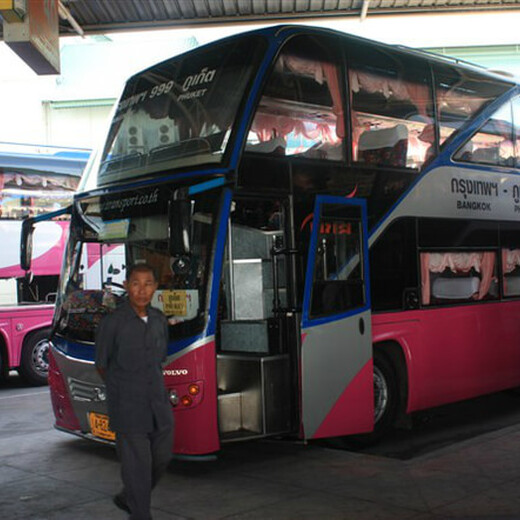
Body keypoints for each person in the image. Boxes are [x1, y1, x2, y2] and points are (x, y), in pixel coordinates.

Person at [95, 263, 174, 520]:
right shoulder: (113, 323)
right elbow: (102, 365)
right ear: (127, 286)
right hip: (128, 405)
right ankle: (140, 513)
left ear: (155, 287)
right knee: (137, 465)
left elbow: (159, 358)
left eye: (148, 284)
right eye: (136, 284)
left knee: (162, 456)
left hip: (157, 403)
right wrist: (122, 389)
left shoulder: (160, 320)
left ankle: (129, 496)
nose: (142, 290)